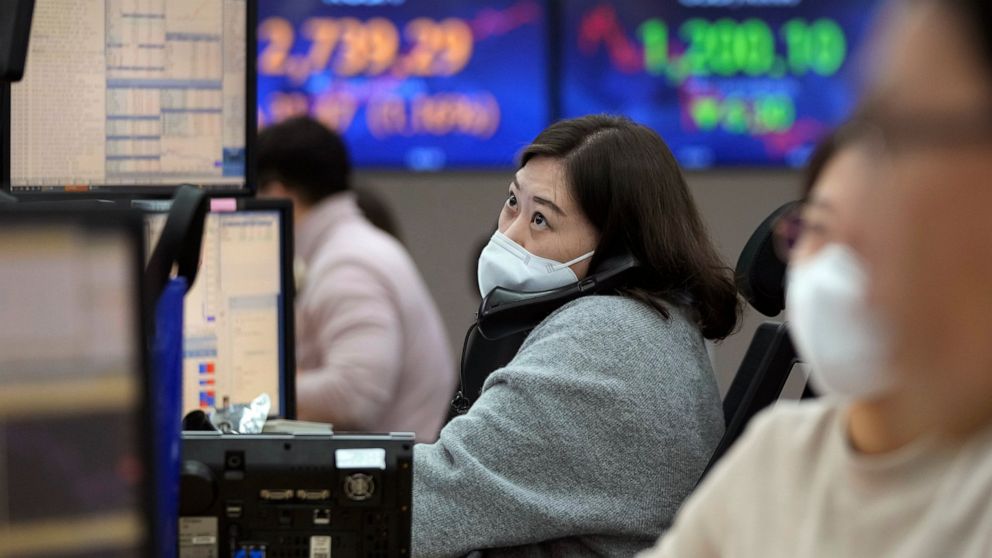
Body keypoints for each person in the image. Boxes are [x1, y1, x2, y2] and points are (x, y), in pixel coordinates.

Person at [413, 114, 741, 557]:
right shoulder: (654, 321)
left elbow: (429, 504)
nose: (509, 235)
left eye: (541, 220)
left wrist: (318, 477)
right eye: (513, 202)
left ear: (617, 253)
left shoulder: (605, 343)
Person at [256, 116, 456, 442]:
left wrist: (251, 388)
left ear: (278, 194)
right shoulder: (352, 247)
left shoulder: (348, 266)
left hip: (401, 470)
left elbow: (354, 397)